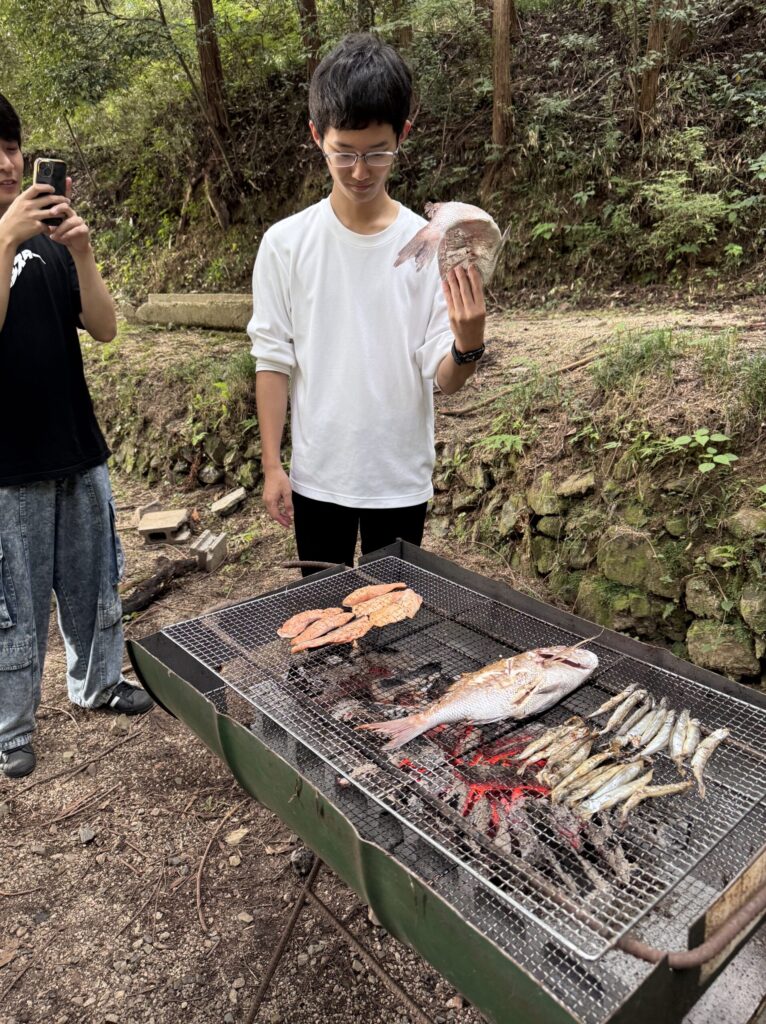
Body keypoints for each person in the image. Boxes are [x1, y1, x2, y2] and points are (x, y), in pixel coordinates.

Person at [248, 33, 486, 574]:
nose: (360, 171)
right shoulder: (286, 244)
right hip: (318, 478)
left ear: (404, 134)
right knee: (319, 619)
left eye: (378, 152)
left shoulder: (429, 247)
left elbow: (444, 378)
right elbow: (273, 360)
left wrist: (468, 345)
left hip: (398, 480)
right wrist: (272, 465)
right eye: (345, 153)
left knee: (395, 620)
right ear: (317, 136)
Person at [0, 95, 152, 779]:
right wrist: (4, 239)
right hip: (8, 466)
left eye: (12, 147)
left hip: (76, 444)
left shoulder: (50, 241)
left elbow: (106, 328)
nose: (7, 163)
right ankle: (11, 727)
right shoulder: (9, 238)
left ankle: (97, 683)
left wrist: (83, 253)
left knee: (94, 583)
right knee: (15, 606)